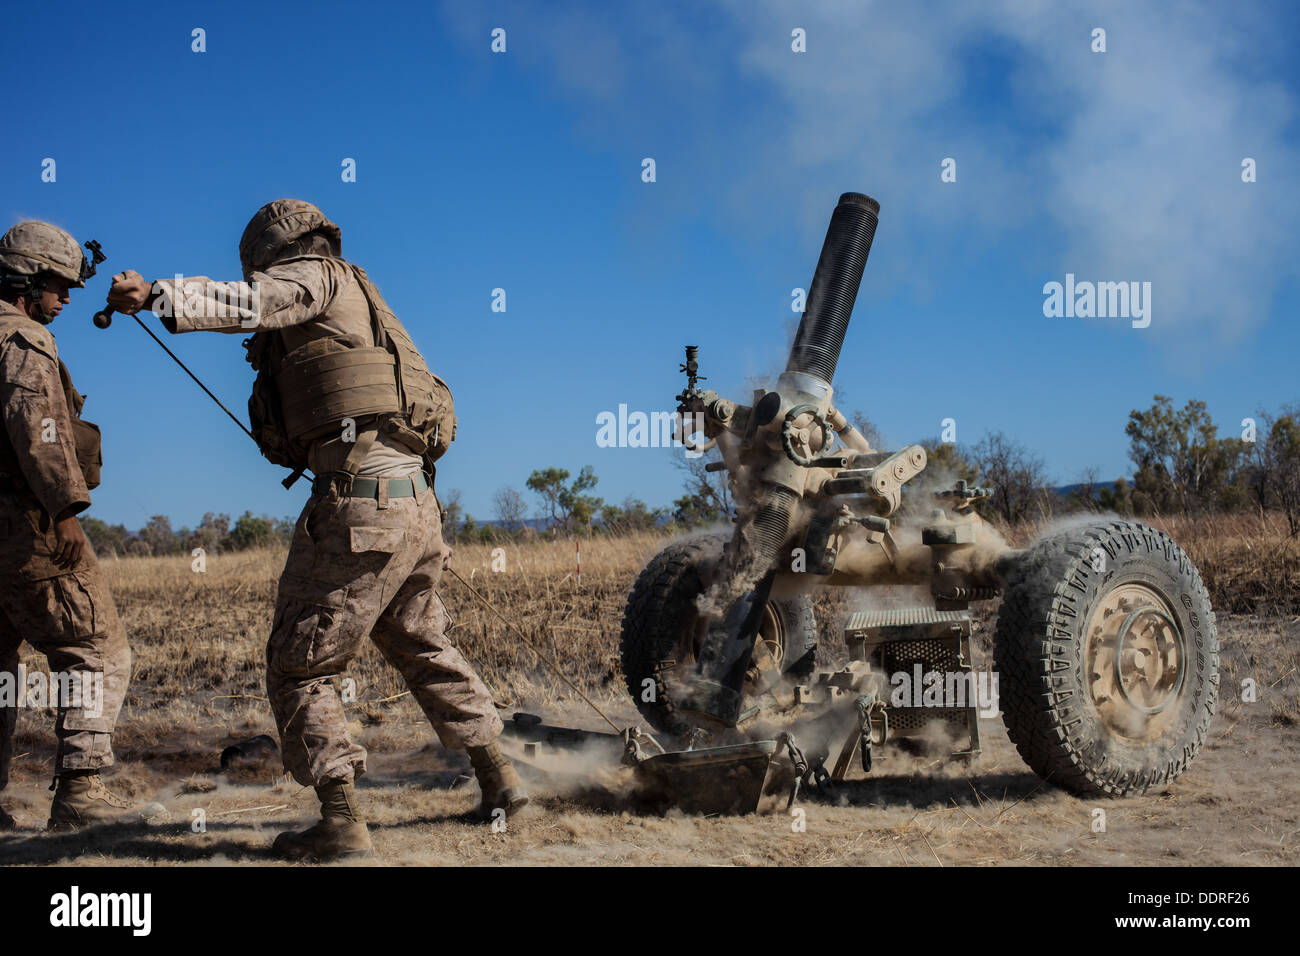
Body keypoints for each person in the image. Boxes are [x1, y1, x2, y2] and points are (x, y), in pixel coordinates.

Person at [108, 199, 527, 861]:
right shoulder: (362, 294)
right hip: (415, 501)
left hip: (359, 503)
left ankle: (341, 821)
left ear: (271, 251)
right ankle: (503, 783)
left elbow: (249, 303)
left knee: (300, 663)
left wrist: (160, 295)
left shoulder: (315, 277)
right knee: (418, 640)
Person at [0, 221, 133, 831]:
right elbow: (40, 428)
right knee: (94, 649)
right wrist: (65, 511)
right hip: (27, 527)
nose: (70, 298)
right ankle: (80, 791)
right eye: (60, 285)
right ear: (28, 281)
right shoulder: (25, 340)